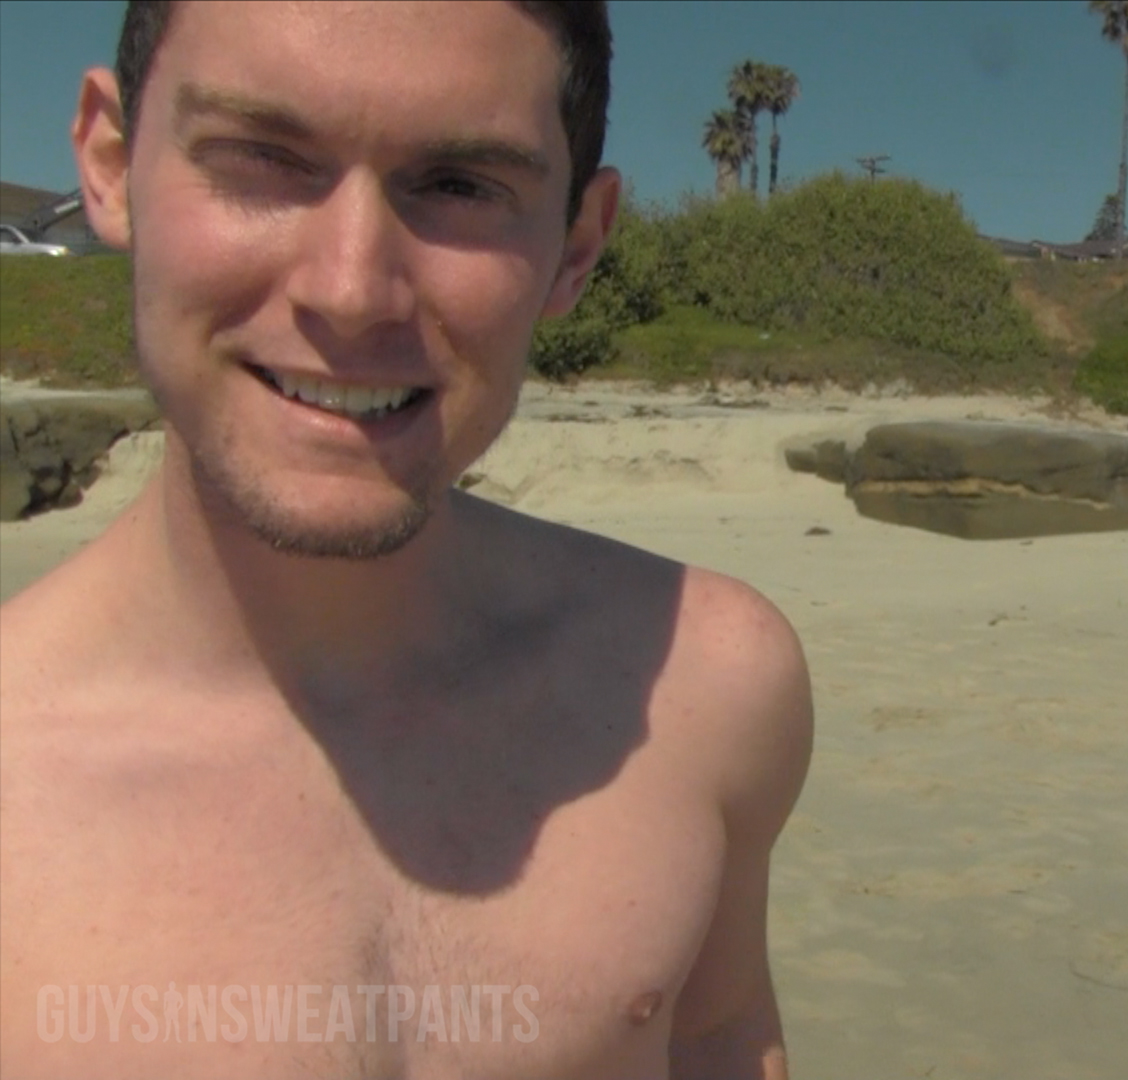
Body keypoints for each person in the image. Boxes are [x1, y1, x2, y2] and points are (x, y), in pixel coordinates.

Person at [0, 3, 812, 1078]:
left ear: (575, 248)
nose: (350, 290)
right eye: (261, 159)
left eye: (461, 186)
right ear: (111, 165)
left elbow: (720, 1035)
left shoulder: (703, 689)